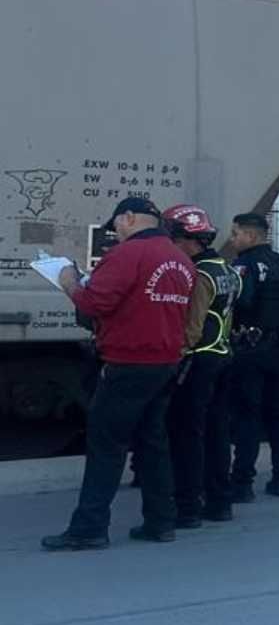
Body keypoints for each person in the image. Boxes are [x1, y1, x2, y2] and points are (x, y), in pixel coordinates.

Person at [41, 197, 196, 550]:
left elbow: (94, 304)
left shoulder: (127, 255)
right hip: (166, 362)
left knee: (106, 445)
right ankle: (160, 521)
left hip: (128, 362)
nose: (117, 233)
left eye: (117, 225)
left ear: (128, 218)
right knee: (152, 443)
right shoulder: (180, 259)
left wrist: (69, 281)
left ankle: (89, 527)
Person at [161, 204, 243, 528]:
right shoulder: (227, 269)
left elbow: (192, 327)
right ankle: (220, 501)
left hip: (198, 362)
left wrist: (175, 356)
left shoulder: (198, 274)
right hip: (223, 356)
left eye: (173, 237)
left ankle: (188, 507)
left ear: (188, 239)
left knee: (187, 435)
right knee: (218, 433)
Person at [226, 212, 279, 500]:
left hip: (250, 348)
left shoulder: (244, 265)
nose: (232, 240)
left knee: (247, 417)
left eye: (236, 234)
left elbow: (239, 303)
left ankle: (242, 482)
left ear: (251, 236)